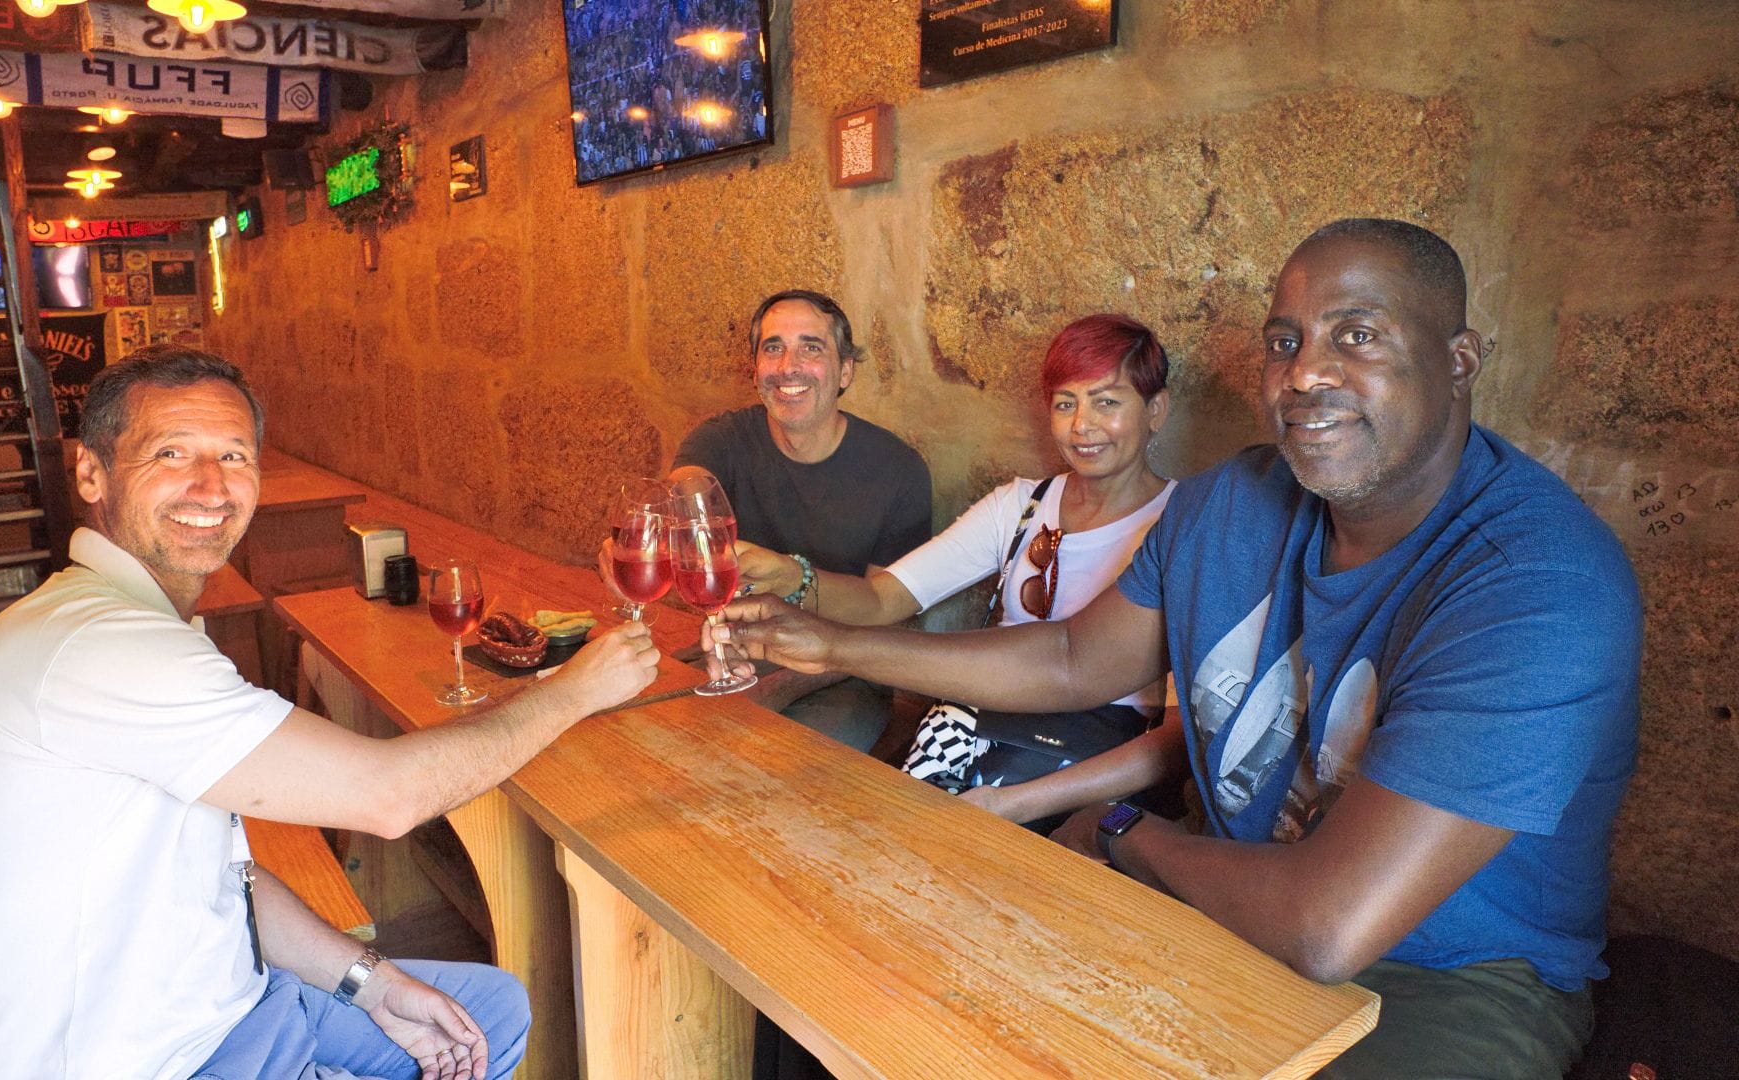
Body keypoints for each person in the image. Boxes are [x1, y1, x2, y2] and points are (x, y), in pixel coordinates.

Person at [714, 219, 1640, 1078]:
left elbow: (1328, 926)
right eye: (1286, 343)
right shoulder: (1228, 505)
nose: (1307, 375)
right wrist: (834, 642)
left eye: (1358, 336)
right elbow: (1075, 659)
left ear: (1459, 361)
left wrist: (1127, 833)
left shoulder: (1536, 583)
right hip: (1223, 904)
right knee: (882, 982)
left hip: (1449, 976)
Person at [0, 347, 661, 1080]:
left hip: (229, 1001)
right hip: (151, 1059)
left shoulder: (130, 619)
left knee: (487, 1012)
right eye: (171, 453)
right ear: (92, 472)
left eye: (235, 457)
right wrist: (573, 691)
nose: (210, 486)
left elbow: (223, 872)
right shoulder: (98, 644)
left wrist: (373, 983)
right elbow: (389, 795)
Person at [734, 313, 1175, 803]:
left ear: (1156, 409)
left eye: (1106, 402)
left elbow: (1174, 736)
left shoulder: (1184, 526)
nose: (1082, 426)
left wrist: (1016, 803)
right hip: (977, 729)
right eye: (1066, 403)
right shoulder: (1021, 506)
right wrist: (791, 574)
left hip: (1086, 765)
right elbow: (883, 599)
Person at [671, 288, 932, 750]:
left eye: (811, 347)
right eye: (773, 348)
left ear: (845, 370)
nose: (789, 366)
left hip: (843, 675)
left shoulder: (898, 471)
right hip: (734, 648)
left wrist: (773, 689)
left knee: (786, 769)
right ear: (756, 370)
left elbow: (887, 626)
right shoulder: (723, 440)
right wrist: (663, 526)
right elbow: (688, 488)